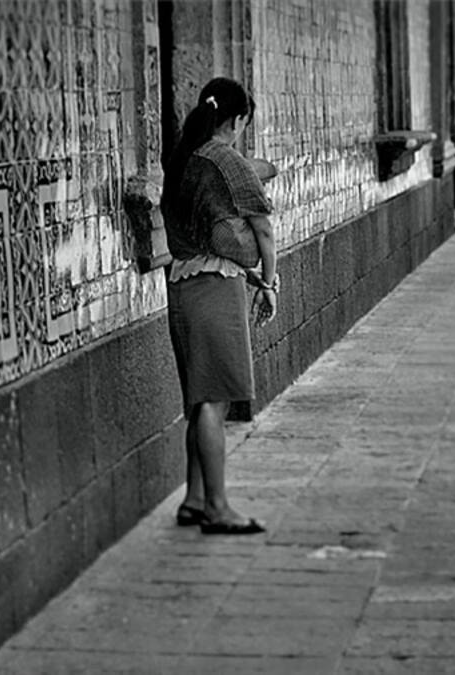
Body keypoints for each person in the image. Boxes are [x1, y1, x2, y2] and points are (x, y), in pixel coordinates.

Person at [160, 77, 276, 535]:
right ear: (239, 118)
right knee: (215, 400)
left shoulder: (184, 158)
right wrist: (270, 283)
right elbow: (262, 230)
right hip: (215, 288)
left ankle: (192, 499)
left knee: (199, 399)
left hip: (183, 283)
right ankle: (219, 507)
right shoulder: (226, 159)